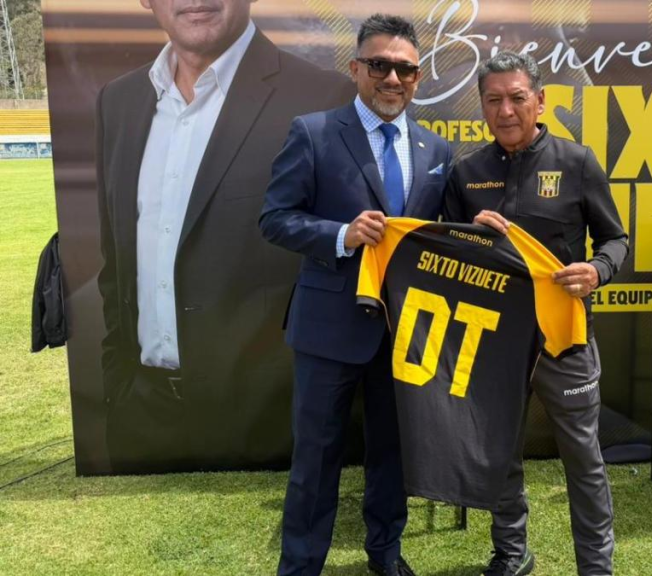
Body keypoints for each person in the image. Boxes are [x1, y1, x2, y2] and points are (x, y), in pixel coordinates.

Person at [95, 0, 348, 474]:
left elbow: (346, 262)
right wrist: (118, 382)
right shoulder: (118, 101)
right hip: (140, 420)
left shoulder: (322, 95)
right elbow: (116, 262)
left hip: (271, 432)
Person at [259, 13, 450, 576]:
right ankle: (301, 566)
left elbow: (446, 235)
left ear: (418, 77)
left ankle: (385, 554)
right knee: (316, 459)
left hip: (404, 331)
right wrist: (342, 234)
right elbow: (275, 219)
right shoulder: (314, 132)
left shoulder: (437, 149)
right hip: (329, 329)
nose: (393, 78)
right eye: (379, 65)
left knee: (392, 453)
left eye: (405, 69)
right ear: (356, 68)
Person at [443, 51, 628, 576]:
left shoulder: (577, 161)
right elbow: (448, 256)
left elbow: (616, 238)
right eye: (493, 100)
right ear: (482, 106)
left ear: (540, 101)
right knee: (500, 453)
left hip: (562, 337)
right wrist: (471, 238)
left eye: (517, 98)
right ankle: (511, 553)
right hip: (493, 339)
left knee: (583, 459)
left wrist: (597, 270)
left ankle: (596, 567)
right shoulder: (466, 172)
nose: (505, 110)